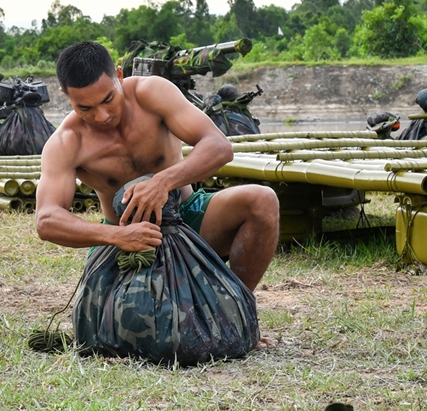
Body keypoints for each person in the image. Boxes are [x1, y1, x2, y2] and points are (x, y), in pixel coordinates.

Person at [35, 41, 279, 345]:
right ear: (66, 97)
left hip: (188, 218)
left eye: (108, 99)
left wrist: (162, 182)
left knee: (262, 200)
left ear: (119, 76)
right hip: (126, 241)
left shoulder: (152, 93)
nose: (101, 115)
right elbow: (46, 220)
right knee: (122, 331)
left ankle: (234, 317)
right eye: (84, 107)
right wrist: (117, 237)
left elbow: (218, 146)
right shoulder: (66, 142)